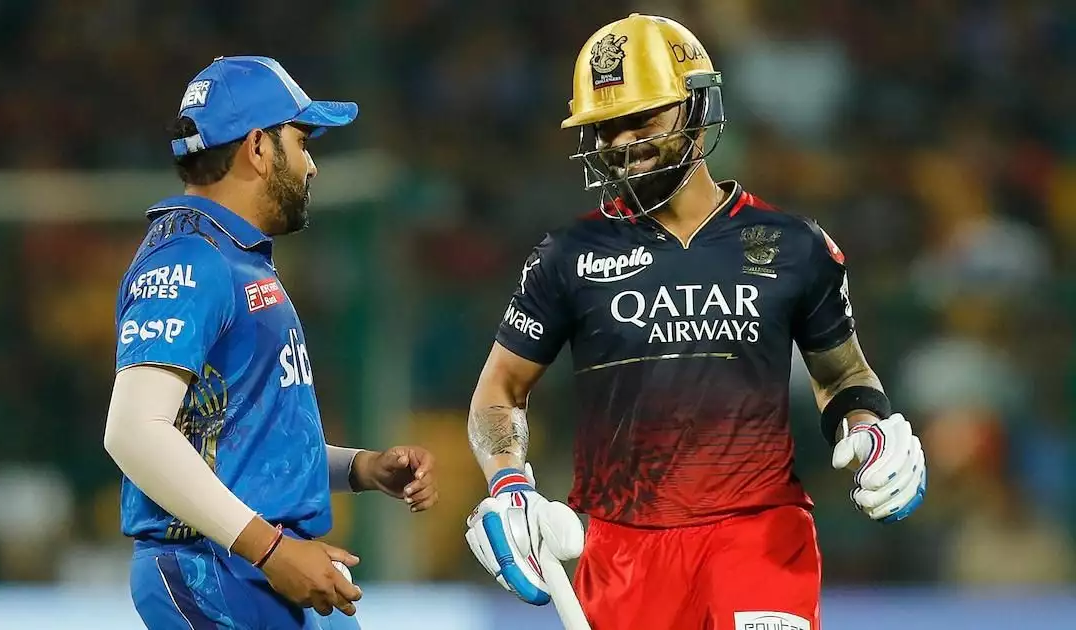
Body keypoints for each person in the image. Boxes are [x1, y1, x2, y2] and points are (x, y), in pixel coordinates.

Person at [463, 15, 926, 630]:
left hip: (759, 538)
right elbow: (499, 390)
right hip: (622, 552)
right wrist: (508, 485)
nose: (623, 142)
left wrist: (871, 430)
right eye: (607, 126)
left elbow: (843, 376)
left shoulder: (795, 245)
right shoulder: (565, 256)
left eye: (643, 119)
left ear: (697, 107)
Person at [103, 56, 439, 630]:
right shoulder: (190, 259)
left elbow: (237, 441)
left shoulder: (232, 257)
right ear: (258, 147)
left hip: (269, 565)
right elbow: (134, 432)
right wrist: (272, 550)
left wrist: (362, 468)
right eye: (302, 141)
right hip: (220, 572)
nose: (311, 165)